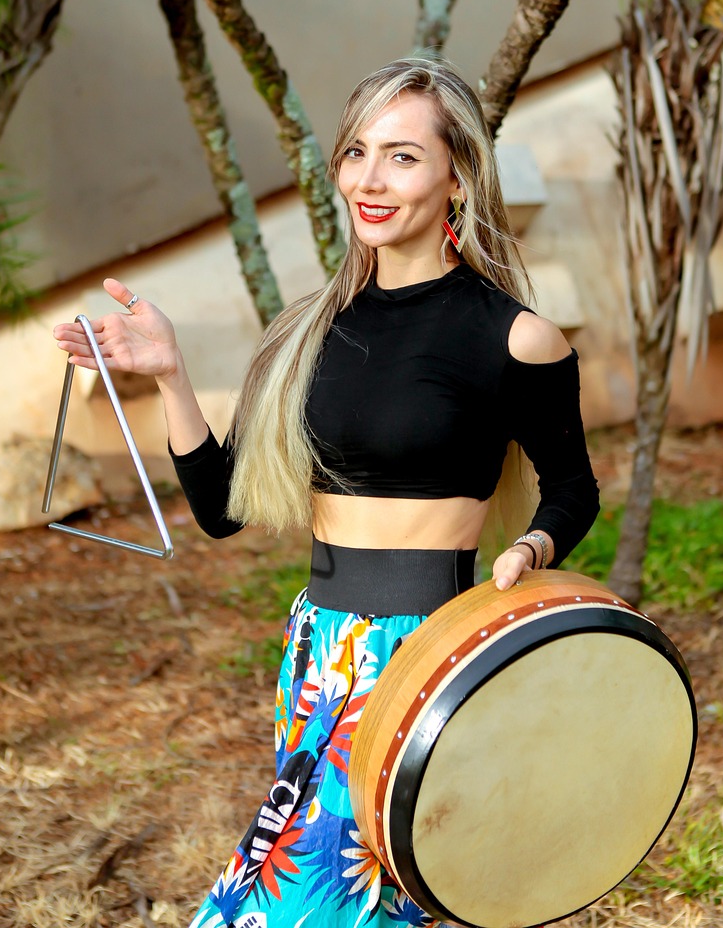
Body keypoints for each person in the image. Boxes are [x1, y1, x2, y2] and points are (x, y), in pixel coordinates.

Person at [54, 56, 599, 928]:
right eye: (355, 152)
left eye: (402, 156)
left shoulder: (515, 338)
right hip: (315, 652)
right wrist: (169, 373)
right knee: (358, 899)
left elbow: (572, 490)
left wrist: (532, 549)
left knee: (305, 896)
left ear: (457, 176)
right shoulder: (306, 333)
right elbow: (220, 511)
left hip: (424, 648)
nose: (367, 180)